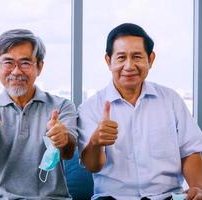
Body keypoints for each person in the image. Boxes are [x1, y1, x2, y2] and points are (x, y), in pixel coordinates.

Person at [78, 23, 202, 200]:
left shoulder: (171, 100)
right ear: (108, 61)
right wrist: (96, 142)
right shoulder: (90, 107)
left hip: (167, 197)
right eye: (121, 58)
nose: (129, 66)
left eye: (137, 57)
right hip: (112, 198)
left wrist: (197, 188)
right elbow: (92, 166)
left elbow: (190, 151)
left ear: (150, 59)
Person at [0, 29, 78, 199]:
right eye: (8, 62)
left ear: (39, 66)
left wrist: (62, 139)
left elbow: (68, 152)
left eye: (25, 63)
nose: (16, 71)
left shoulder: (62, 106)